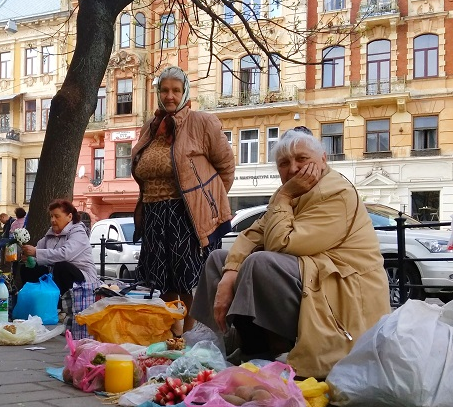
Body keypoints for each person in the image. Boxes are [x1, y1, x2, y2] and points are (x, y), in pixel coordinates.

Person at [191, 127, 390, 378]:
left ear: (323, 159)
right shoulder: (292, 192)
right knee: (218, 259)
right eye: (284, 163)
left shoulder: (336, 192)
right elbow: (253, 234)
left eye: (302, 159)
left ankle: (265, 350)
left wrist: (284, 197)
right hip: (314, 276)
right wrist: (230, 272)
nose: (293, 168)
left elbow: (282, 244)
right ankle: (220, 344)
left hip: (342, 288)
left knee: (260, 263)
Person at [131, 66, 235, 334]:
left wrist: (209, 205)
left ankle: (187, 335)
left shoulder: (202, 123)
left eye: (176, 90)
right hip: (154, 213)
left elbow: (226, 167)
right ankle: (173, 332)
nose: (170, 96)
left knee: (186, 279)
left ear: (185, 92)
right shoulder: (150, 127)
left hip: (186, 214)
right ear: (158, 92)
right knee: (163, 280)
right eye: (165, 90)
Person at [20, 199, 99, 297]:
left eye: (57, 216)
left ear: (69, 217)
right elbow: (38, 249)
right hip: (55, 273)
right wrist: (29, 256)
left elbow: (65, 254)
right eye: (51, 216)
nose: (53, 220)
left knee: (62, 266)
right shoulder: (51, 233)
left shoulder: (78, 232)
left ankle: (62, 302)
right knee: (28, 268)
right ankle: (32, 297)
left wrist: (35, 253)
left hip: (83, 276)